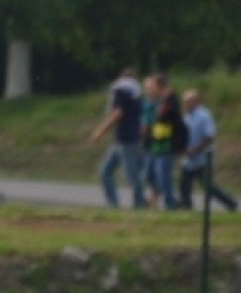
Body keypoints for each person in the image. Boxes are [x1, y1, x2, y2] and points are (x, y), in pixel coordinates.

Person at [88, 68, 145, 209]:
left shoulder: (121, 90)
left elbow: (117, 113)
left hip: (125, 140)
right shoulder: (136, 94)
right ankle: (113, 205)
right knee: (105, 171)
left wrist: (99, 131)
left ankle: (139, 205)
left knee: (131, 176)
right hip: (124, 139)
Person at [178, 89, 238, 212]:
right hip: (190, 158)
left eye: (188, 102)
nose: (186, 104)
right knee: (184, 185)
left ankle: (231, 203)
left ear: (195, 101)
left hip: (203, 158)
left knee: (207, 186)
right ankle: (187, 207)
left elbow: (209, 137)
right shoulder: (186, 116)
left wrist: (195, 150)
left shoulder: (204, 115)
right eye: (184, 102)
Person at [142, 73, 184, 210]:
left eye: (153, 85)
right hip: (156, 142)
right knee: (150, 172)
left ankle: (171, 203)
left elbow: (171, 118)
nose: (151, 88)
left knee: (164, 175)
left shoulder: (170, 100)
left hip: (167, 143)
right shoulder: (158, 100)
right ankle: (158, 194)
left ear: (160, 86)